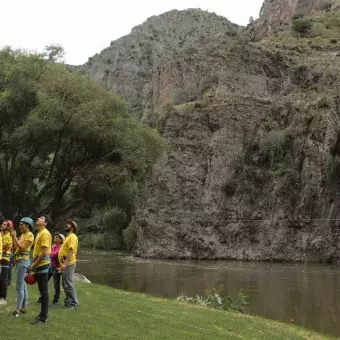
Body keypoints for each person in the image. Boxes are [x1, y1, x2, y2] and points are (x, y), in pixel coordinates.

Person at [10, 217, 34, 318]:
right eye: (19, 225)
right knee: (23, 286)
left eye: (21, 225)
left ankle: (17, 310)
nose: (20, 227)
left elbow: (22, 247)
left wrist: (15, 237)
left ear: (27, 225)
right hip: (19, 261)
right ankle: (23, 307)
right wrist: (13, 237)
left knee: (19, 286)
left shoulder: (30, 235)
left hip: (23, 262)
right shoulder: (23, 235)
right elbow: (16, 247)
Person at [30, 215, 52, 325]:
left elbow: (44, 253)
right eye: (38, 218)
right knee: (42, 292)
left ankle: (44, 317)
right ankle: (42, 314)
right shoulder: (39, 233)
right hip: (39, 264)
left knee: (44, 293)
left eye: (41, 218)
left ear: (45, 223)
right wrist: (33, 263)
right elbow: (38, 251)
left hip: (43, 265)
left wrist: (34, 265)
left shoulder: (45, 234)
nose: (38, 218)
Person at [59, 220, 79, 309]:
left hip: (69, 263)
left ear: (73, 227)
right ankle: (68, 301)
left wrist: (65, 263)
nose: (67, 225)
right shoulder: (68, 237)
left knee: (68, 283)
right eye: (67, 224)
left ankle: (73, 304)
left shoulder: (72, 237)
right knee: (65, 283)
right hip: (65, 264)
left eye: (69, 225)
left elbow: (71, 251)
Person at [0, 220, 14, 304]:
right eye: (2, 223)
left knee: (3, 279)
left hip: (5, 259)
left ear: (8, 227)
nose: (2, 225)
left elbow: (3, 246)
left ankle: (3, 298)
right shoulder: (1, 235)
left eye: (5, 224)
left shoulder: (8, 236)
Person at [50, 232, 64, 304]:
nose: (55, 237)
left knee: (56, 284)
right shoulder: (54, 246)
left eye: (57, 237)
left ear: (61, 240)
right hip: (51, 266)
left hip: (57, 267)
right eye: (55, 236)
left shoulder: (61, 246)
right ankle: (42, 297)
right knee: (44, 281)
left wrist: (52, 249)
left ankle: (56, 299)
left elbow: (53, 255)